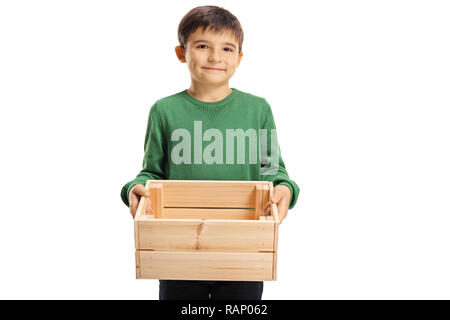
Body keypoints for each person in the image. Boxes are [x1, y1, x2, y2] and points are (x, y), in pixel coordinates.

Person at [120, 5, 300, 300]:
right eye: (203, 46)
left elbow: (274, 173)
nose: (216, 57)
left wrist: (285, 191)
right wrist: (132, 189)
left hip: (243, 251)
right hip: (177, 253)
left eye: (227, 48)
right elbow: (151, 173)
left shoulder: (258, 110)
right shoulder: (164, 110)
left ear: (239, 58)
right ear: (182, 53)